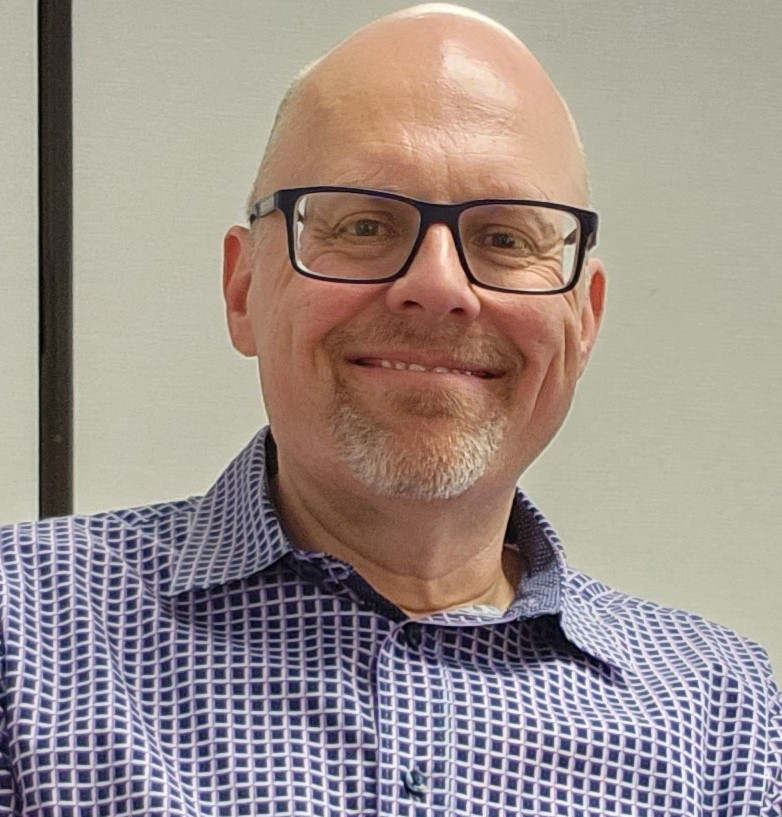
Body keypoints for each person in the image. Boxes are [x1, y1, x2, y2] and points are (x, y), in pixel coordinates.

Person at [0, 4, 779, 815]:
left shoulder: (720, 721)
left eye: (506, 239)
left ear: (584, 321)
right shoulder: (21, 642)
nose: (438, 286)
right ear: (242, 290)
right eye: (365, 223)